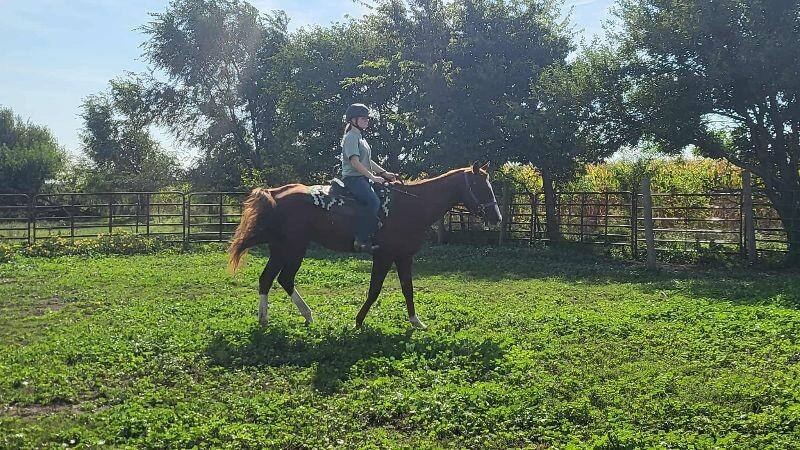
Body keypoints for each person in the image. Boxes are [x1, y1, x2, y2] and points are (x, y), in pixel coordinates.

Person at [340, 103, 398, 253]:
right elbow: (355, 162)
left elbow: (368, 161)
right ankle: (361, 240)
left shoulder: (361, 138)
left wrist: (384, 173)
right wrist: (373, 177)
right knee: (373, 201)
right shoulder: (351, 137)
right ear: (353, 120)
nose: (367, 121)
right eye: (363, 118)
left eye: (367, 119)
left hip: (362, 178)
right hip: (353, 178)